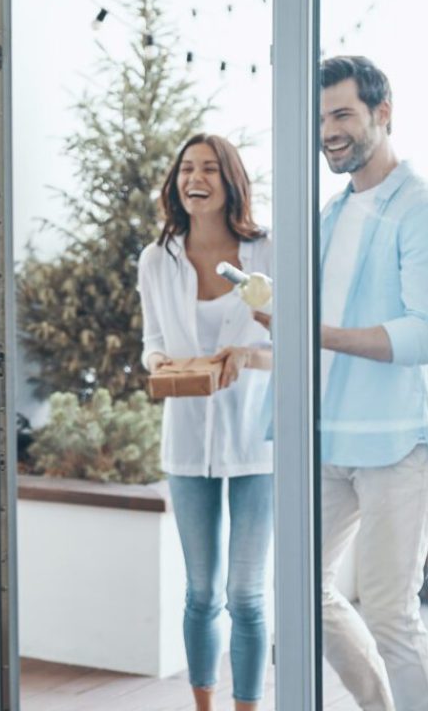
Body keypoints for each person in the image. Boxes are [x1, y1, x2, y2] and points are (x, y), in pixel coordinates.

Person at [258, 56, 428, 711]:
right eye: (321, 118)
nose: (329, 131)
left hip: (401, 446)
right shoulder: (329, 214)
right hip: (327, 440)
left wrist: (314, 332)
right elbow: (315, 327)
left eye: (342, 114)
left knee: (389, 613)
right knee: (299, 591)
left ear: (383, 114)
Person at [138, 134, 274, 711]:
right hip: (189, 442)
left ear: (230, 181)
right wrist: (160, 364)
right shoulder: (157, 259)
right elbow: (151, 344)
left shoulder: (269, 252)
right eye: (187, 168)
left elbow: (296, 342)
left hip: (257, 442)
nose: (196, 177)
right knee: (201, 593)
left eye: (210, 169)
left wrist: (247, 356)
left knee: (245, 595)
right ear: (176, 182)